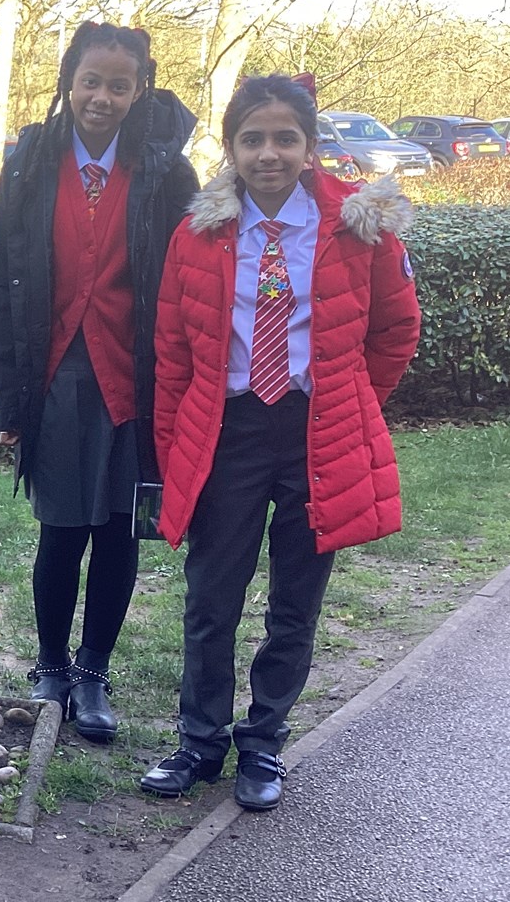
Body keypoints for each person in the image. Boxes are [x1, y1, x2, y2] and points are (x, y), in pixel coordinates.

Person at [141, 73, 421, 811]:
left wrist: (351, 402)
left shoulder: (359, 228)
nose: (269, 153)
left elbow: (396, 329)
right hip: (228, 433)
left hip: (315, 429)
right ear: (231, 148)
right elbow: (173, 352)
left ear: (309, 145)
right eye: (252, 139)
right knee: (211, 598)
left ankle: (262, 740)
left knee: (294, 602)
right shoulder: (198, 233)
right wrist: (173, 451)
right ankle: (199, 741)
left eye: (285, 139)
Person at [0, 21, 199, 741]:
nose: (102, 97)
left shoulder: (166, 172)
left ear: (139, 91)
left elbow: (194, 282)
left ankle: (94, 670)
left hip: (137, 379)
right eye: (90, 82)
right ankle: (50, 666)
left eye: (119, 85)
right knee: (61, 529)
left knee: (118, 531)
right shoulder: (30, 163)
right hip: (57, 379)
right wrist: (8, 398)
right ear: (68, 82)